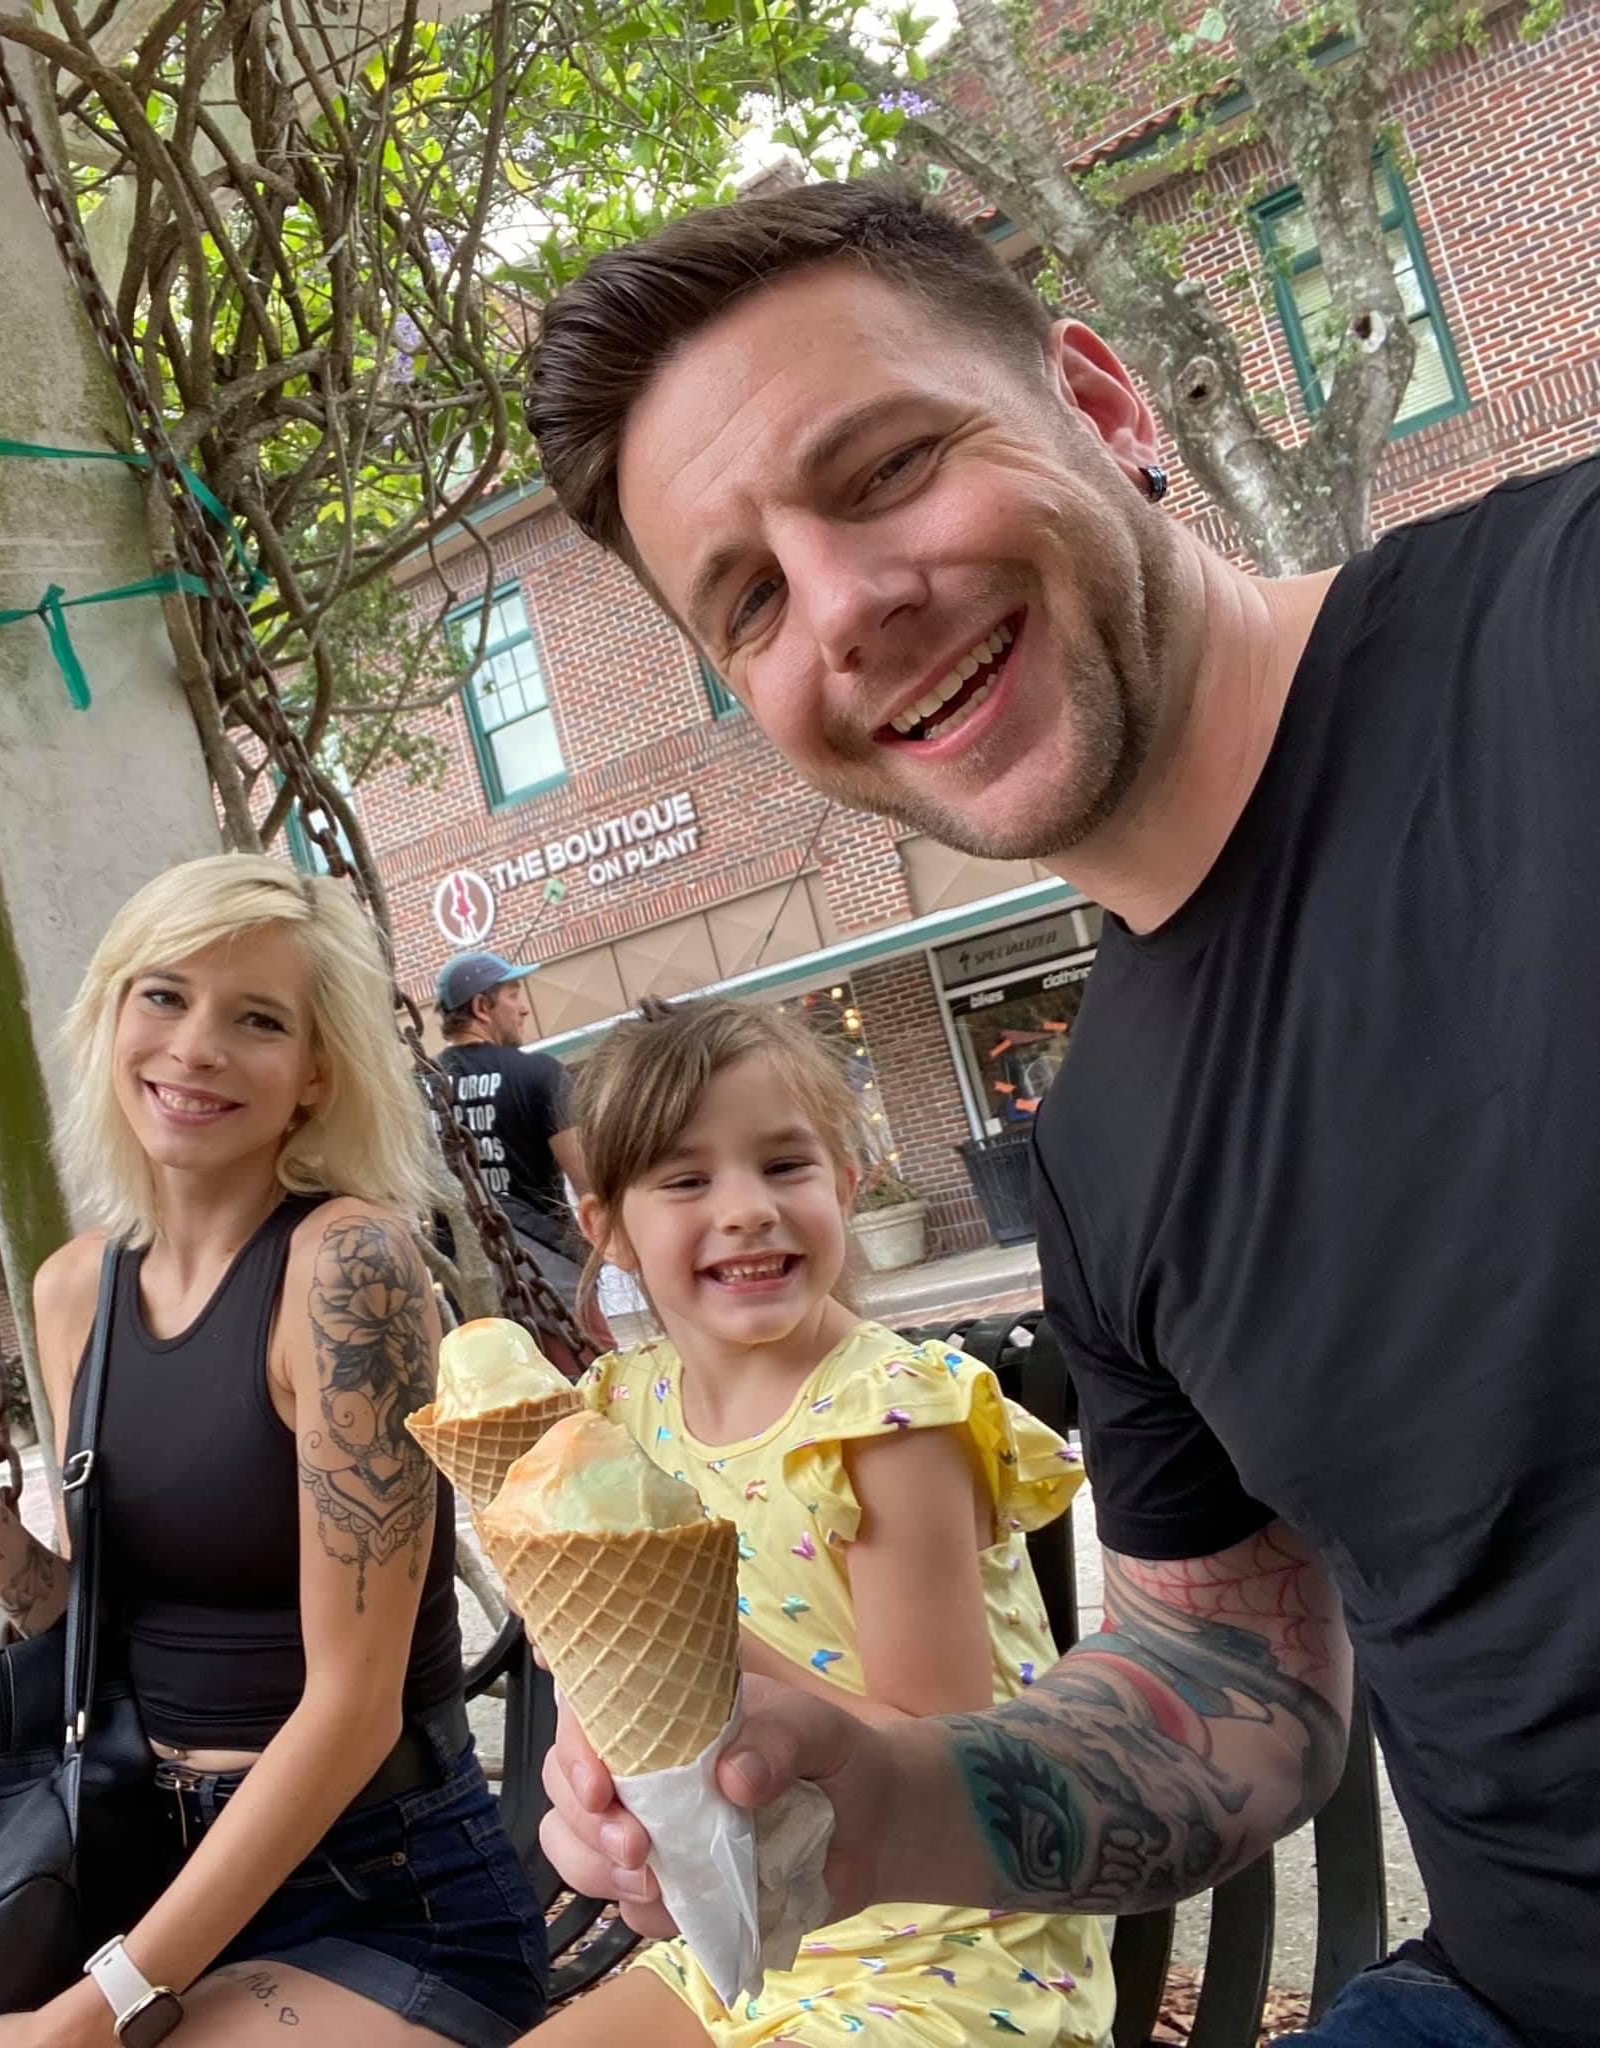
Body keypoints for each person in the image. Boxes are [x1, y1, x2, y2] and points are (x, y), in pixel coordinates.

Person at [521, 179, 1600, 2045]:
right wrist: (873, 1789)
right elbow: (1228, 1669)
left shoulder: (1559, 631)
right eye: (752, 597)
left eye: (882, 471)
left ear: (1102, 408)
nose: (847, 607)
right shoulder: (1099, 1154)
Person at [0, 855, 549, 2048]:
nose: (196, 1045)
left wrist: (87, 2013)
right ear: (112, 1014)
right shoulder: (71, 1291)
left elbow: (355, 1705)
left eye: (256, 1018)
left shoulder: (346, 1266)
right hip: (136, 1868)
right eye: (164, 995)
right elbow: (94, 1635)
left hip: (378, 1889)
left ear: (316, 1072)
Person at [517, 997, 1110, 2048]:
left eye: (783, 1165)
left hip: (949, 1934)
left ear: (845, 1178)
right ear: (607, 1225)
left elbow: (942, 1754)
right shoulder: (617, 1412)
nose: (745, 1208)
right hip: (747, 1922)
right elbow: (597, 1710)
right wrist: (592, 1803)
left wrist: (688, 1628)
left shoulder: (890, 1415)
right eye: (686, 1178)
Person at [436, 950, 588, 1306]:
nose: (523, 1008)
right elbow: (589, 1181)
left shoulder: (420, 1087)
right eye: (513, 995)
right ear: (481, 1008)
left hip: (464, 1289)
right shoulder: (540, 1074)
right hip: (550, 1280)